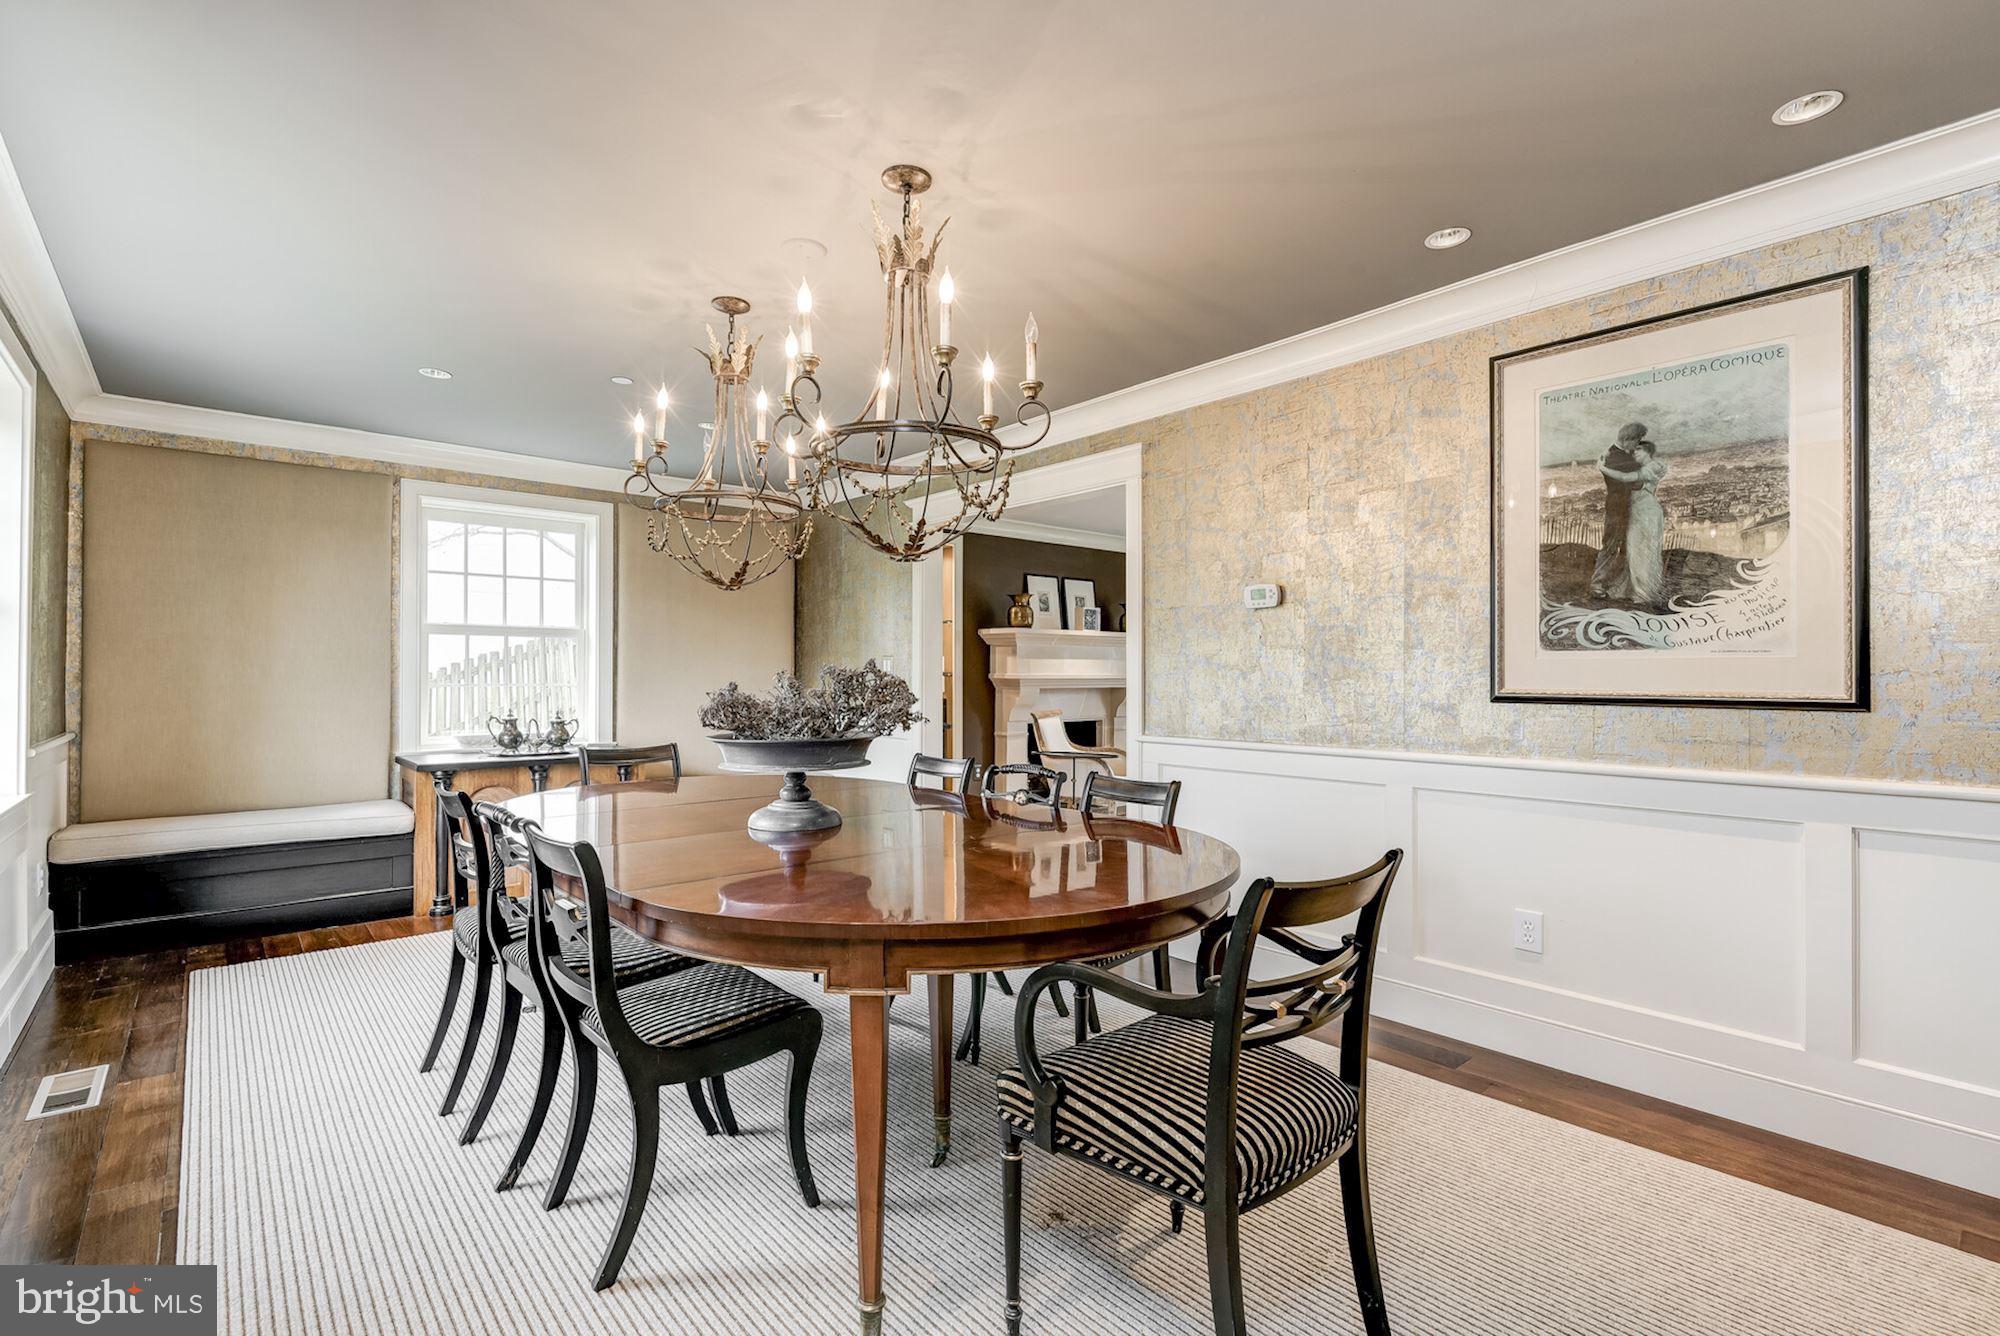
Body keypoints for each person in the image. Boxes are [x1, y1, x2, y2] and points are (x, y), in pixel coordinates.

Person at [1598, 438, 1669, 607]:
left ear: (1647, 451)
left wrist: (1602, 468)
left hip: (1647, 513)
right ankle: (1635, 589)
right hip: (1637, 512)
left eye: (1638, 449)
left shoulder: (1652, 467)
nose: (1634, 452)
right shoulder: (1642, 467)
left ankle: (1644, 592)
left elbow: (1625, 477)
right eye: (1634, 450)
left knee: (1643, 551)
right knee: (1634, 550)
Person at [1590, 422, 1647, 599]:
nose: (1637, 444)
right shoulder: (1620, 458)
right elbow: (1638, 483)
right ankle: (1597, 584)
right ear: (1628, 439)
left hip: (1621, 506)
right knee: (1611, 545)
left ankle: (1617, 583)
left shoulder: (1612, 453)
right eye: (1637, 440)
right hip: (1618, 508)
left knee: (1622, 545)